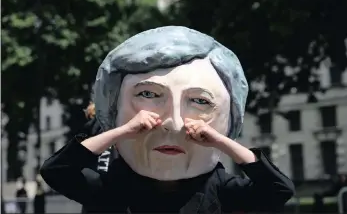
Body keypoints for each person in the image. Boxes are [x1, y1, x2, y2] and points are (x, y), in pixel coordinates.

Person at [40, 26, 295, 213]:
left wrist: (220, 140)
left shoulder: (220, 189)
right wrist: (121, 131)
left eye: (200, 101)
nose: (173, 123)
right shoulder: (115, 188)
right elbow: (57, 171)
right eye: (148, 94)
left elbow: (278, 189)